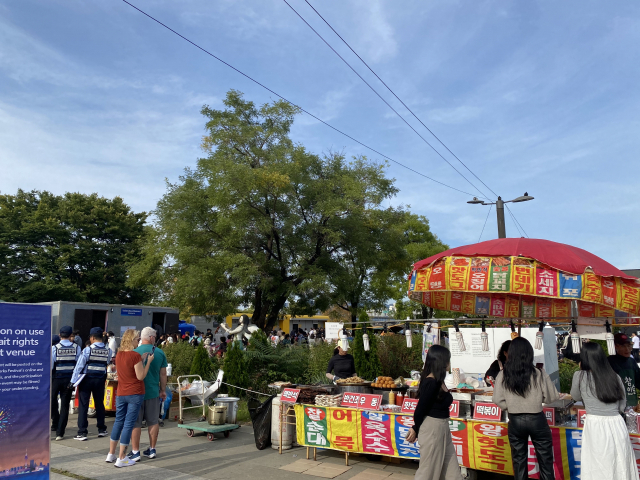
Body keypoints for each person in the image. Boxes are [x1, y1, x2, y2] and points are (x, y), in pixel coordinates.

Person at [492, 337, 559, 480]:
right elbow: (552, 397)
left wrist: (510, 406)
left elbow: (497, 399)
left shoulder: (503, 374)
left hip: (515, 420)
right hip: (537, 420)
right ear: (529, 353)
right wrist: (537, 400)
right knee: (545, 462)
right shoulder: (539, 373)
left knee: (519, 462)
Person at [571, 342, 639, 480]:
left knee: (597, 462)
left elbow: (575, 396)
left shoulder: (580, 376)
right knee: (620, 462)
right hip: (616, 422)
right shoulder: (614, 376)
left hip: (594, 423)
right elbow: (622, 405)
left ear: (584, 358)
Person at [405, 345, 461, 480]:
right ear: (441, 361)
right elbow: (419, 411)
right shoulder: (431, 382)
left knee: (452, 472)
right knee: (428, 472)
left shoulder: (438, 380)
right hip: (432, 428)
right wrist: (416, 428)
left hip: (443, 427)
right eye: (448, 359)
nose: (449, 362)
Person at [105, 329, 154, 468]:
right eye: (137, 339)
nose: (138, 341)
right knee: (128, 424)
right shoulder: (135, 355)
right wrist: (148, 361)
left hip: (121, 393)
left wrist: (142, 359)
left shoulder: (119, 354)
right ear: (132, 339)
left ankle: (111, 453)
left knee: (118, 421)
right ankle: (122, 457)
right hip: (135, 393)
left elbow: (128, 368)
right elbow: (140, 376)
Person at [128, 327, 168, 462]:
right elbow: (163, 374)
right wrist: (162, 390)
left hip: (135, 392)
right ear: (151, 338)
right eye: (155, 336)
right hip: (152, 392)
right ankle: (152, 449)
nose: (155, 339)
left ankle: (135, 451)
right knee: (153, 421)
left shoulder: (133, 353)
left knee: (136, 423)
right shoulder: (160, 353)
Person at [71, 327, 113, 441]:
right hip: (100, 379)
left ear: (92, 337)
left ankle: (82, 432)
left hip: (87, 379)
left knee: (84, 405)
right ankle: (102, 429)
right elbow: (107, 363)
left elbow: (79, 366)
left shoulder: (87, 350)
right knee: (99, 404)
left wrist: (73, 381)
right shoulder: (108, 351)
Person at [51, 326, 81, 441]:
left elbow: (51, 365)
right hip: (69, 380)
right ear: (70, 336)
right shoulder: (76, 348)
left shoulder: (55, 348)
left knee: (52, 401)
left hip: (56, 379)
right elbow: (78, 365)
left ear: (59, 335)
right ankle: (60, 432)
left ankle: (56, 420)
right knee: (64, 406)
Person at [608, 333, 640, 407]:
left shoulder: (632, 361)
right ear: (616, 346)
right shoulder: (609, 362)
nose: (627, 349)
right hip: (616, 404)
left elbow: (638, 381)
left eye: (629, 346)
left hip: (632, 402)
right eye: (623, 346)